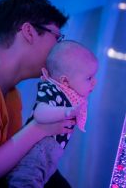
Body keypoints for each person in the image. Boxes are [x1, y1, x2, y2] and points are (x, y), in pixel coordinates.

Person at [0, 0, 76, 187]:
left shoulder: (10, 92)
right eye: (57, 38)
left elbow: (8, 166)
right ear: (28, 31)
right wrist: (40, 126)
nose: (59, 50)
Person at [6, 40, 98, 187]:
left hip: (51, 154)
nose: (94, 83)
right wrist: (67, 111)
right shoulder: (52, 88)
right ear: (65, 82)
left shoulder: (70, 95)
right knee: (26, 181)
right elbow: (40, 113)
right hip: (37, 150)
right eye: (89, 78)